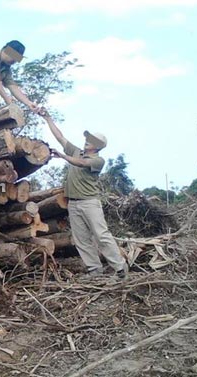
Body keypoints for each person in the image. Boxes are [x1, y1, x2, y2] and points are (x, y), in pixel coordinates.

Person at [39, 110, 129, 279]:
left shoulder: (98, 161)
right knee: (81, 239)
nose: (87, 141)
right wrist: (48, 118)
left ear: (98, 146)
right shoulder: (76, 151)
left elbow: (81, 163)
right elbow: (60, 137)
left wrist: (62, 155)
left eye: (92, 140)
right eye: (87, 138)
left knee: (101, 235)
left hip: (90, 203)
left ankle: (120, 268)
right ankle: (95, 270)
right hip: (73, 203)